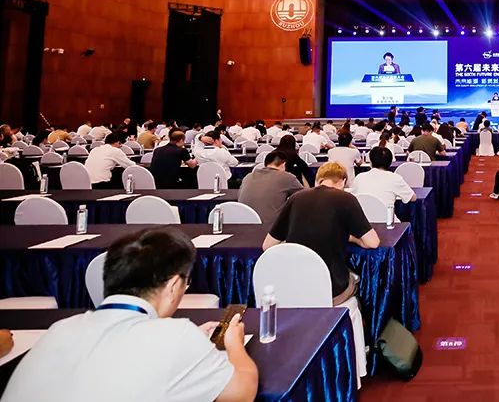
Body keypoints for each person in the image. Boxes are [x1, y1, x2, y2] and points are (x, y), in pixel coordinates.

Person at [2, 227, 258, 401]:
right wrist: (234, 344)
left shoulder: (59, 330)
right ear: (173, 287)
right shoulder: (177, 335)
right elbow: (242, 392)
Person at [265, 162, 379, 304]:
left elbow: (268, 245)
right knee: (357, 281)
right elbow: (373, 243)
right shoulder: (346, 199)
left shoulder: (295, 198)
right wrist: (352, 238)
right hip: (332, 290)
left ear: (318, 180)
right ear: (343, 181)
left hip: (294, 287)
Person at [237, 150, 304, 223]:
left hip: (243, 223)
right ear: (283, 164)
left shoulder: (248, 176)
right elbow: (305, 197)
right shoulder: (287, 177)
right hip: (271, 226)